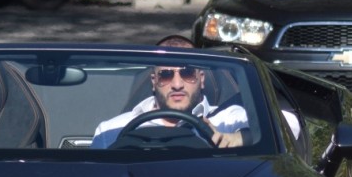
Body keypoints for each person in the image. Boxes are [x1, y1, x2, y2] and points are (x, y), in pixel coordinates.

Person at [91, 61, 248, 149]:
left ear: (202, 79)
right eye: (166, 75)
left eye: (187, 73)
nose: (177, 84)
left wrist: (239, 138)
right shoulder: (109, 131)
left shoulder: (228, 121)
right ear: (154, 82)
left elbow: (268, 132)